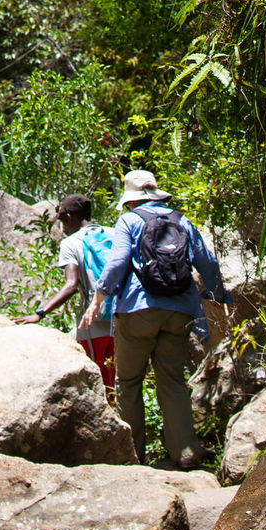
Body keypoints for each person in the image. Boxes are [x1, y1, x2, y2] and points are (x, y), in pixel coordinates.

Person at [83, 169, 230, 468]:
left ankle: (132, 457)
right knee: (173, 381)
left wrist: (98, 298)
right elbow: (207, 261)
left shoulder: (129, 220)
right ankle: (186, 454)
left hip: (136, 310)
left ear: (130, 200)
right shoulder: (181, 220)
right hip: (179, 311)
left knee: (128, 381)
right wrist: (216, 298)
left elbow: (118, 261)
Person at [22, 194, 116, 394]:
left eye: (62, 222)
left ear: (69, 218)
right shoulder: (114, 234)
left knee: (97, 387)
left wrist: (40, 313)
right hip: (124, 318)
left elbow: (70, 285)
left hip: (94, 325)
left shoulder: (71, 243)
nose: (63, 229)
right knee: (119, 383)